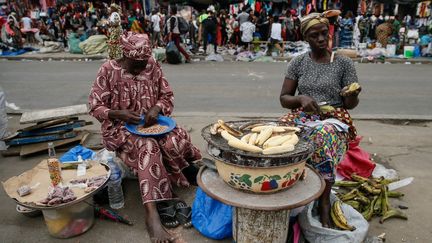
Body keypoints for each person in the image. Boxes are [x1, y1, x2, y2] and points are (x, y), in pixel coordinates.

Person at [89, 31, 201, 243]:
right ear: (125, 55)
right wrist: (117, 113)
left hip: (151, 123)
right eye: (136, 63)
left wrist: (157, 109)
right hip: (120, 128)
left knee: (175, 137)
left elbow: (166, 95)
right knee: (148, 147)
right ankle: (152, 214)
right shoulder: (107, 70)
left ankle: (183, 173)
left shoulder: (152, 65)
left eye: (144, 62)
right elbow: (95, 107)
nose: (142, 67)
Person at [279, 12, 361, 228]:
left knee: (322, 139)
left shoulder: (343, 63)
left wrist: (350, 95)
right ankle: (289, 189)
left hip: (334, 118)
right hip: (303, 115)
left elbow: (351, 105)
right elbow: (284, 99)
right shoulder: (298, 63)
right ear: (306, 38)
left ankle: (323, 201)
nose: (322, 39)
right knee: (279, 136)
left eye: (325, 33)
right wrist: (300, 98)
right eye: (315, 35)